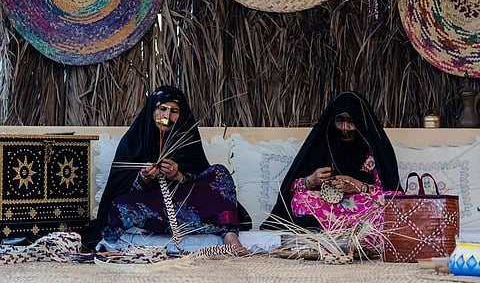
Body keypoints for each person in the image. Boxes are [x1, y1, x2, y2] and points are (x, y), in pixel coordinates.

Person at [87, 85, 251, 255]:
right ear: (152, 110)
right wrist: (142, 179)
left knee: (220, 173)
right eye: (162, 109)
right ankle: (195, 226)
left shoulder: (187, 138)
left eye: (174, 111)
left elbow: (201, 174)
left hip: (185, 201)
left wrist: (179, 176)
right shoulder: (134, 140)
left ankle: (230, 235)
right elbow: (117, 184)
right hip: (152, 204)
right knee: (120, 206)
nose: (167, 116)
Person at [260, 91, 403, 244]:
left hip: (362, 206)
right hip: (328, 208)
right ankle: (337, 239)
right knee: (300, 200)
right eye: (339, 120)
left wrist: (358, 186)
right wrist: (311, 180)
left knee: (396, 201)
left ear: (361, 121)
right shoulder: (322, 144)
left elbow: (392, 193)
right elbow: (290, 190)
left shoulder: (375, 148)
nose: (345, 127)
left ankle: (350, 239)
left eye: (351, 121)